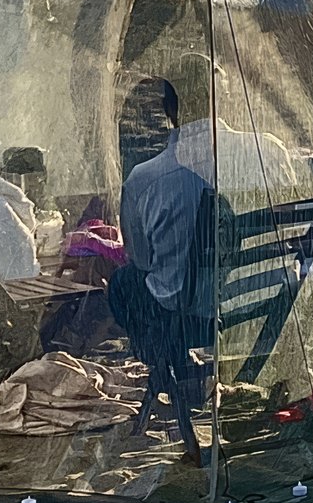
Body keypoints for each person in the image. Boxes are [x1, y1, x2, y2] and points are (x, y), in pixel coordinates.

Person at [108, 69, 301, 458]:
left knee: (124, 284)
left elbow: (142, 261)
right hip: (271, 297)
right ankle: (222, 377)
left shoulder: (146, 178)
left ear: (169, 111)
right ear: (223, 100)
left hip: (196, 316)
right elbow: (293, 234)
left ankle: (174, 370)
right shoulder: (271, 152)